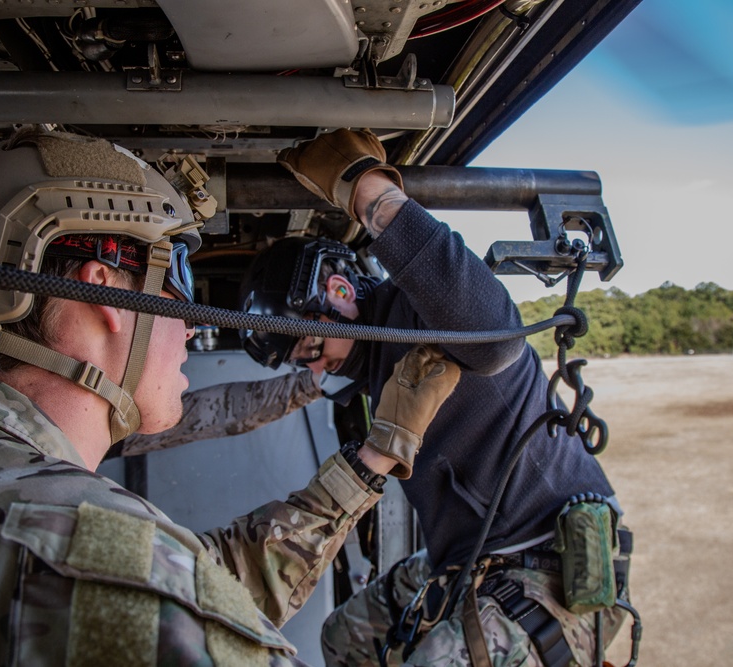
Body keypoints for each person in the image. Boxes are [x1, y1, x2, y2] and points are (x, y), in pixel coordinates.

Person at [0, 129, 460, 665]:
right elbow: (160, 595)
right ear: (103, 292)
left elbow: (205, 583)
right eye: (177, 273)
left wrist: (372, 458)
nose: (193, 322)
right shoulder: (78, 560)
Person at [239, 129, 634, 667]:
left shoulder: (415, 308)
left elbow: (493, 338)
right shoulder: (371, 370)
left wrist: (367, 191)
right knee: (344, 636)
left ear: (338, 291)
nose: (312, 364)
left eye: (309, 345)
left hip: (547, 551)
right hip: (467, 558)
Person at [0, 354, 321, 481]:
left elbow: (213, 414)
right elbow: (214, 415)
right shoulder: (81, 430)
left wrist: (314, 382)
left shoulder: (91, 419)